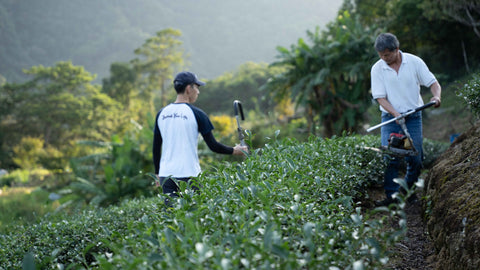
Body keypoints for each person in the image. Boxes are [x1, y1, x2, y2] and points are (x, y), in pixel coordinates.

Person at [153, 71, 248, 206]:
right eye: (197, 87)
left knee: (171, 219)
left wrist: (157, 173)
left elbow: (156, 147)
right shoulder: (197, 114)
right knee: (195, 218)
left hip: (166, 176)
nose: (198, 92)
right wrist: (235, 150)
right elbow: (213, 146)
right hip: (189, 175)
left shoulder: (161, 114)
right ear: (188, 89)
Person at [370, 33, 441, 206]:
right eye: (380, 55)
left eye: (386, 55)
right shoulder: (377, 68)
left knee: (415, 157)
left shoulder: (414, 62)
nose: (383, 58)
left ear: (396, 50)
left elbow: (433, 83)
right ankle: (391, 197)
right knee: (390, 156)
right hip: (390, 117)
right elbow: (380, 97)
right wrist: (395, 113)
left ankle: (408, 190)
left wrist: (436, 97)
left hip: (413, 117)